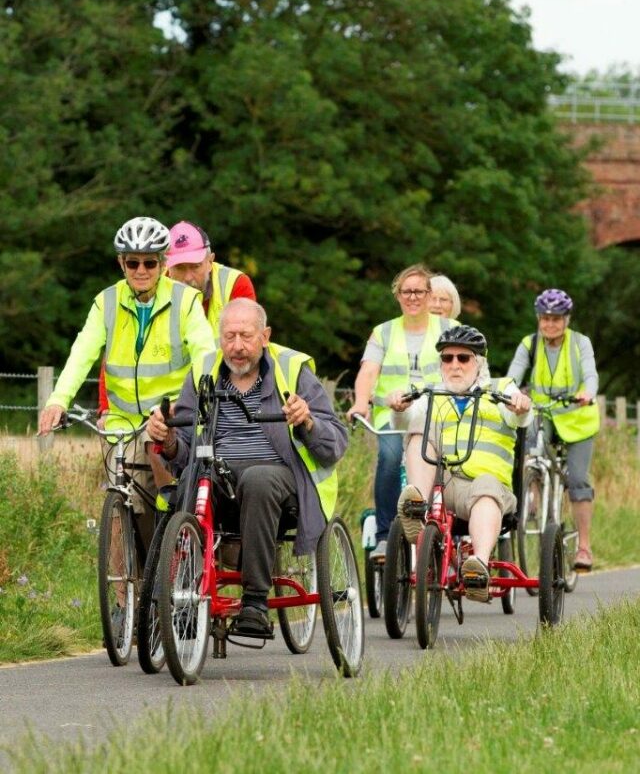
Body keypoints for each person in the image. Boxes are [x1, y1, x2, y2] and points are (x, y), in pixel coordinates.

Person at [148, 298, 348, 638]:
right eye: (229, 336)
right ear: (219, 337)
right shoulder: (202, 370)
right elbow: (181, 448)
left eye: (246, 336)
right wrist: (166, 439)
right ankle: (176, 601)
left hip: (277, 476)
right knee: (187, 489)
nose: (237, 347)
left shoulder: (294, 368)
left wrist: (307, 421)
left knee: (257, 480)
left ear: (265, 336)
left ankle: (255, 600)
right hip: (217, 471)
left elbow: (334, 445)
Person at [38, 216, 215, 551]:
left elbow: (206, 355)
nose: (141, 270)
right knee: (119, 509)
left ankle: (173, 554)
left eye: (150, 262)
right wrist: (57, 400)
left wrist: (191, 400)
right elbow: (82, 353)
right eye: (133, 262)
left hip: (168, 419)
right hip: (120, 423)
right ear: (122, 263)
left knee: (160, 500)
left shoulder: (185, 301)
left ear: (163, 263)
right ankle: (125, 599)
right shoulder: (106, 302)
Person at [397, 325, 532, 602]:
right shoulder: (431, 393)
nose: (454, 365)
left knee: (486, 487)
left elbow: (520, 416)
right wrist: (397, 407)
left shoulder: (501, 389)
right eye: (447, 359)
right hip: (441, 488)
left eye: (463, 358)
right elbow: (402, 423)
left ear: (478, 363)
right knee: (420, 424)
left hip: (486, 488)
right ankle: (417, 506)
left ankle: (477, 567)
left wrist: (521, 405)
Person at [346, 264, 459, 560]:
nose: (413, 297)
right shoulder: (383, 332)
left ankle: (447, 529)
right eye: (406, 292)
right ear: (397, 296)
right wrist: (361, 402)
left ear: (429, 294)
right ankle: (384, 535)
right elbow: (368, 371)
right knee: (389, 457)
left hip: (437, 416)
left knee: (446, 465)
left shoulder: (448, 330)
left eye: (419, 291)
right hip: (392, 416)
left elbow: (465, 368)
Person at [96, 219, 256, 415]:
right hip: (168, 403)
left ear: (210, 261)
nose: (188, 277)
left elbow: (252, 350)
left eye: (195, 266)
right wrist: (105, 408)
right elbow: (117, 353)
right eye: (180, 268)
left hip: (230, 393)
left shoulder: (236, 285)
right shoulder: (149, 288)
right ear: (165, 267)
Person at [507, 288, 599, 571]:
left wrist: (588, 392)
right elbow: (513, 375)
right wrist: (509, 394)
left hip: (577, 418)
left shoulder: (580, 343)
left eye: (556, 319)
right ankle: (534, 489)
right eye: (545, 318)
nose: (550, 324)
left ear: (566, 319)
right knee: (529, 445)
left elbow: (590, 373)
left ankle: (584, 547)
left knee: (578, 480)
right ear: (538, 318)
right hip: (542, 414)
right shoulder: (529, 344)